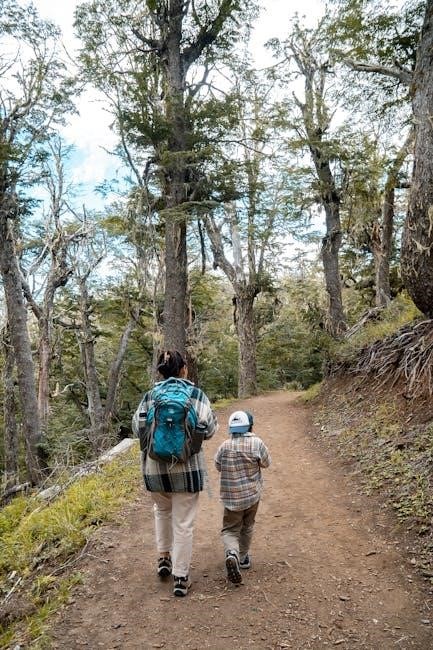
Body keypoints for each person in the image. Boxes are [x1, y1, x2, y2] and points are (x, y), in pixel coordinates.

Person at [132, 350, 217, 597]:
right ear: (183, 369)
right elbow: (210, 430)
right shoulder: (196, 395)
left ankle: (163, 558)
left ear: (160, 371)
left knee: (161, 511)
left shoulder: (150, 396)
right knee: (183, 523)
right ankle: (181, 577)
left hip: (154, 469)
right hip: (187, 469)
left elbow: (137, 429)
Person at [214, 410, 271, 584]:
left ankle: (232, 553)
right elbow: (266, 463)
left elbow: (218, 465)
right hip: (252, 496)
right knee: (247, 526)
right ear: (250, 426)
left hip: (231, 498)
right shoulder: (257, 443)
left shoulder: (224, 446)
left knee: (230, 529)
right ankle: (243, 557)